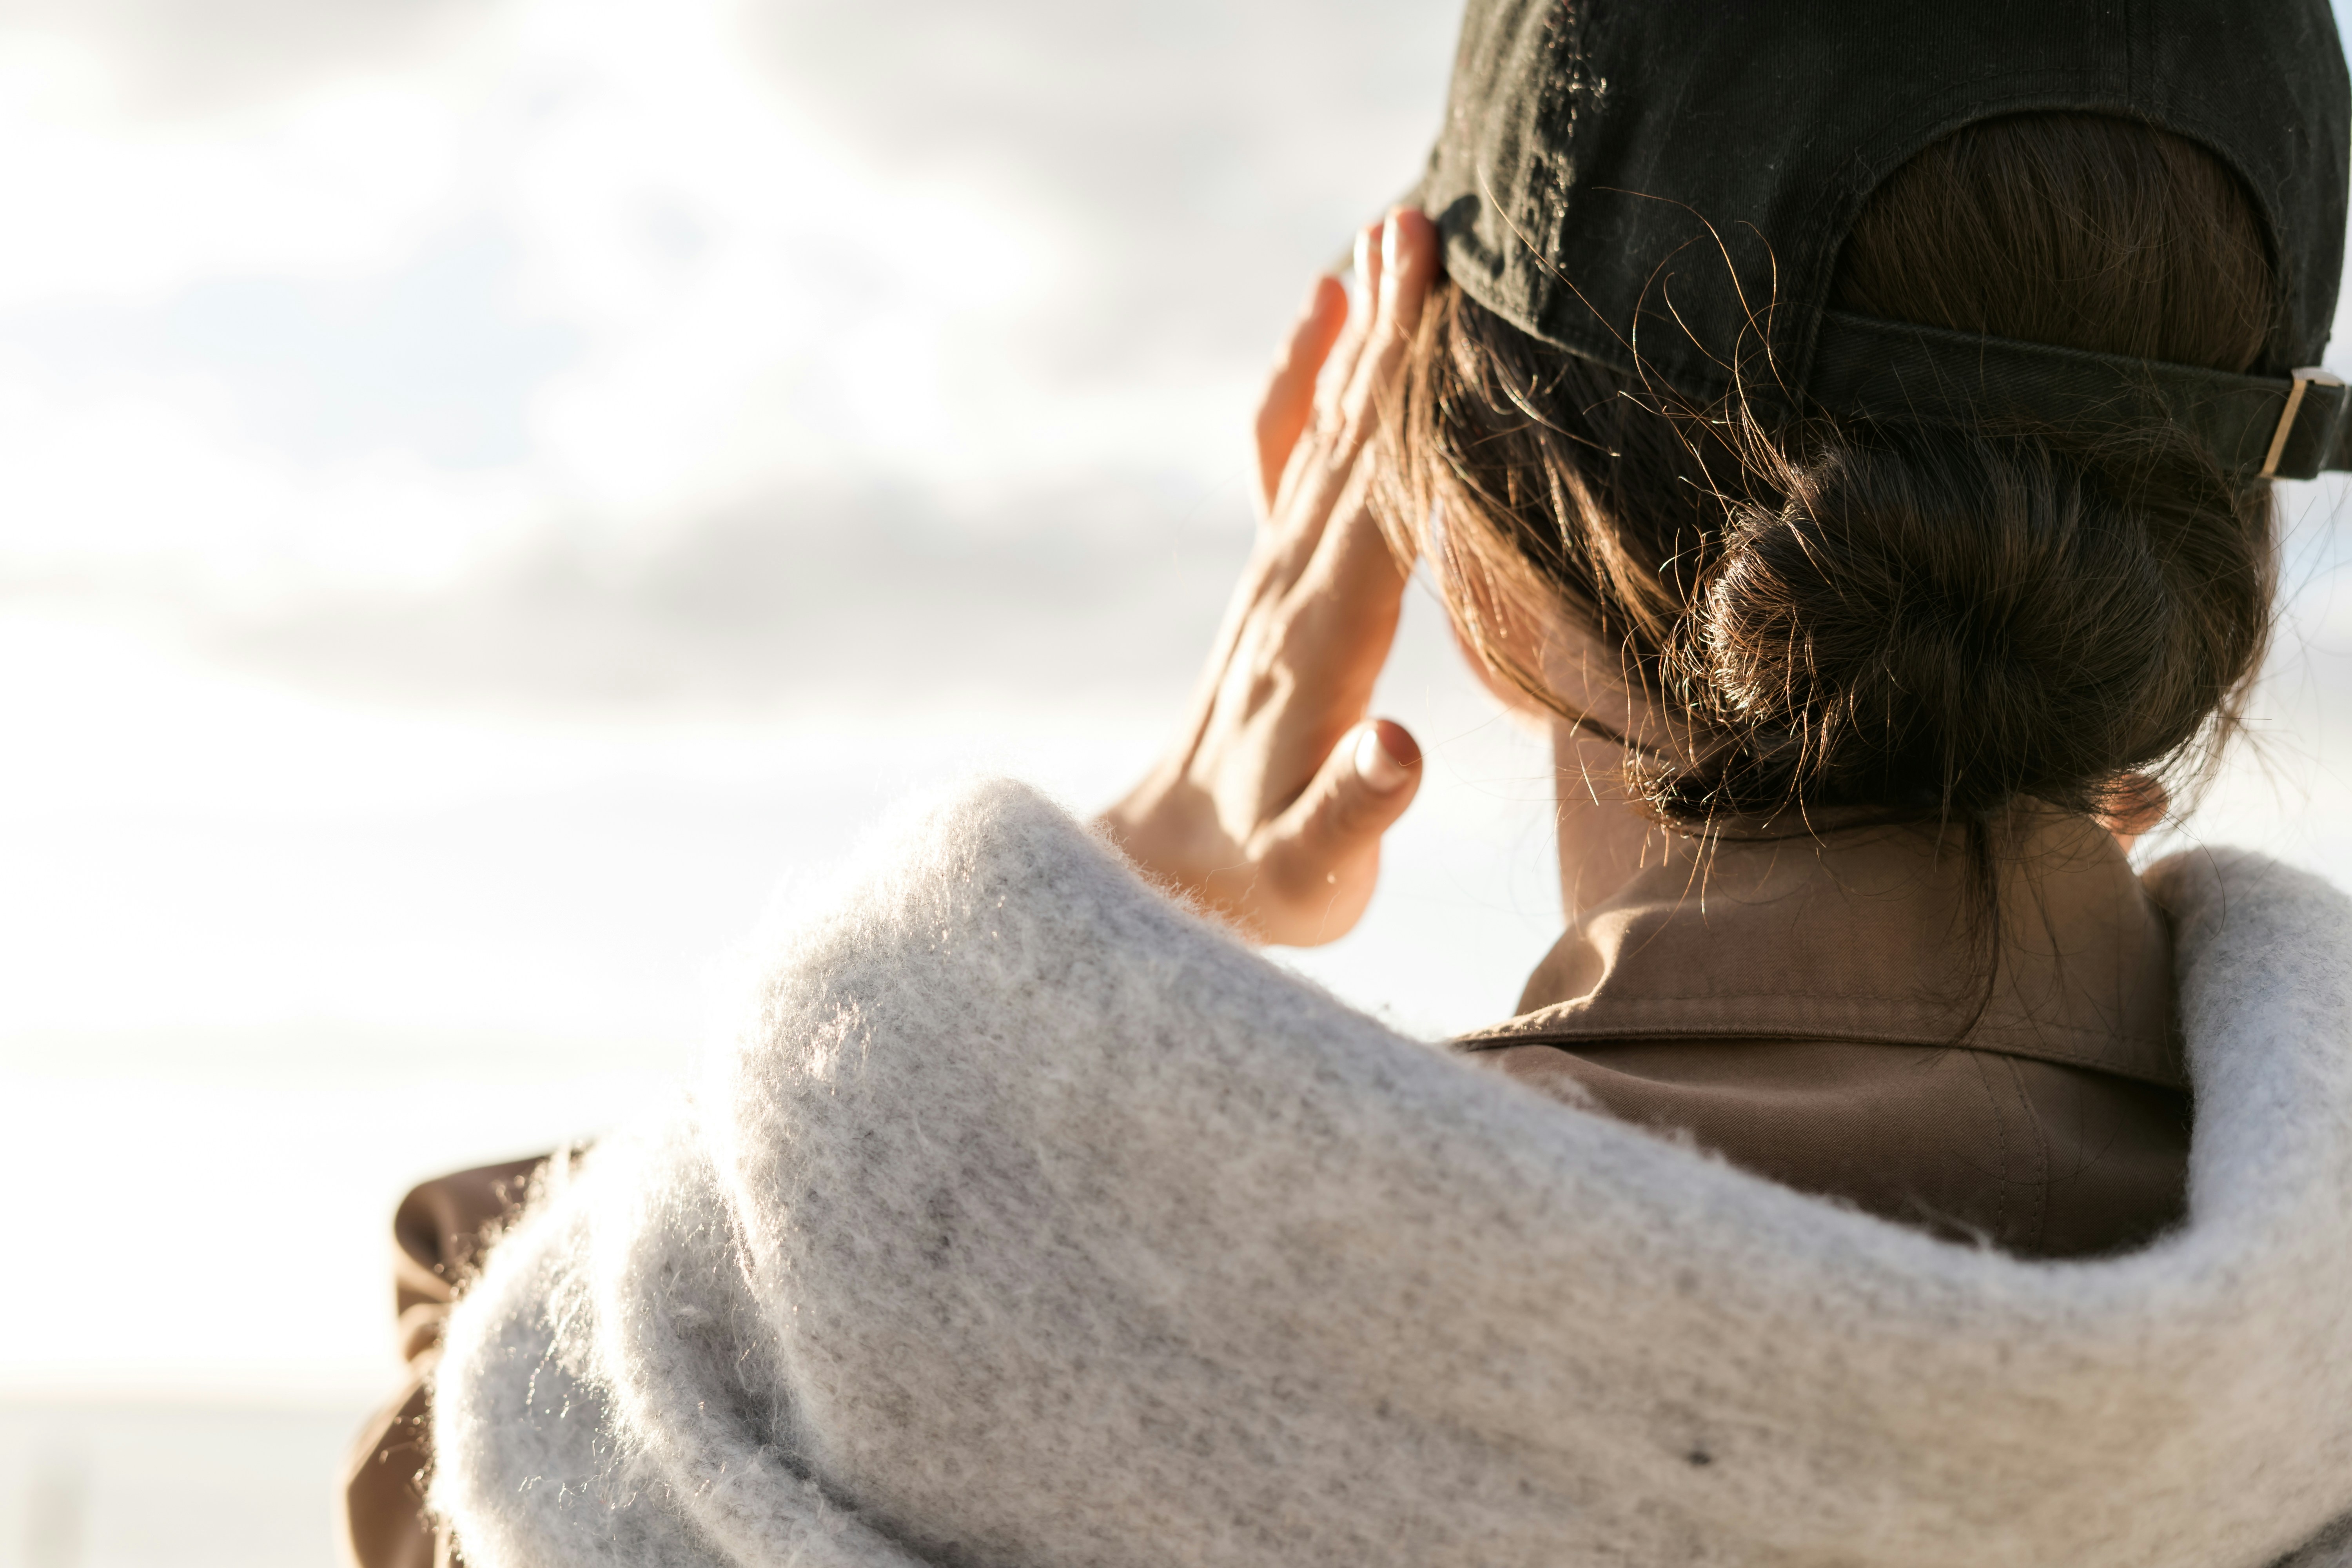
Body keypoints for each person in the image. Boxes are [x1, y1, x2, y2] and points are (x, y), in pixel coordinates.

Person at [348, 3, 2352, 1564]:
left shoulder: (996, 1332)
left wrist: (1081, 936)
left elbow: (508, 1426)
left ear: (1434, 498)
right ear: (2229, 558)